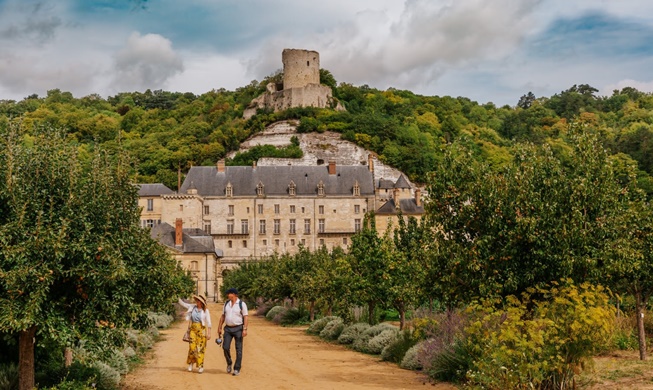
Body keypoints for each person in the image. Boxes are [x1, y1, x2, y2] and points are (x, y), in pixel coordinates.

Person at [217, 288, 248, 376]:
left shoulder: (242, 304)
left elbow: (245, 317)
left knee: (239, 349)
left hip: (238, 328)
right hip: (228, 329)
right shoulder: (226, 303)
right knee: (225, 347)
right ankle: (229, 362)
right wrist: (219, 327)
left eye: (229, 293)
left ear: (234, 294)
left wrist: (245, 329)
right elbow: (223, 316)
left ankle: (237, 368)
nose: (228, 295)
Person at [178, 294, 212, 373]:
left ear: (202, 302)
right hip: (193, 329)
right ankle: (191, 363)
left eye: (199, 301)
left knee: (200, 348)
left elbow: (209, 322)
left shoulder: (205, 311)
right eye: (197, 300)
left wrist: (209, 333)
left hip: (202, 330)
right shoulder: (192, 307)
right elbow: (183, 303)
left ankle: (200, 366)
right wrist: (176, 295)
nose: (197, 302)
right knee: (192, 347)